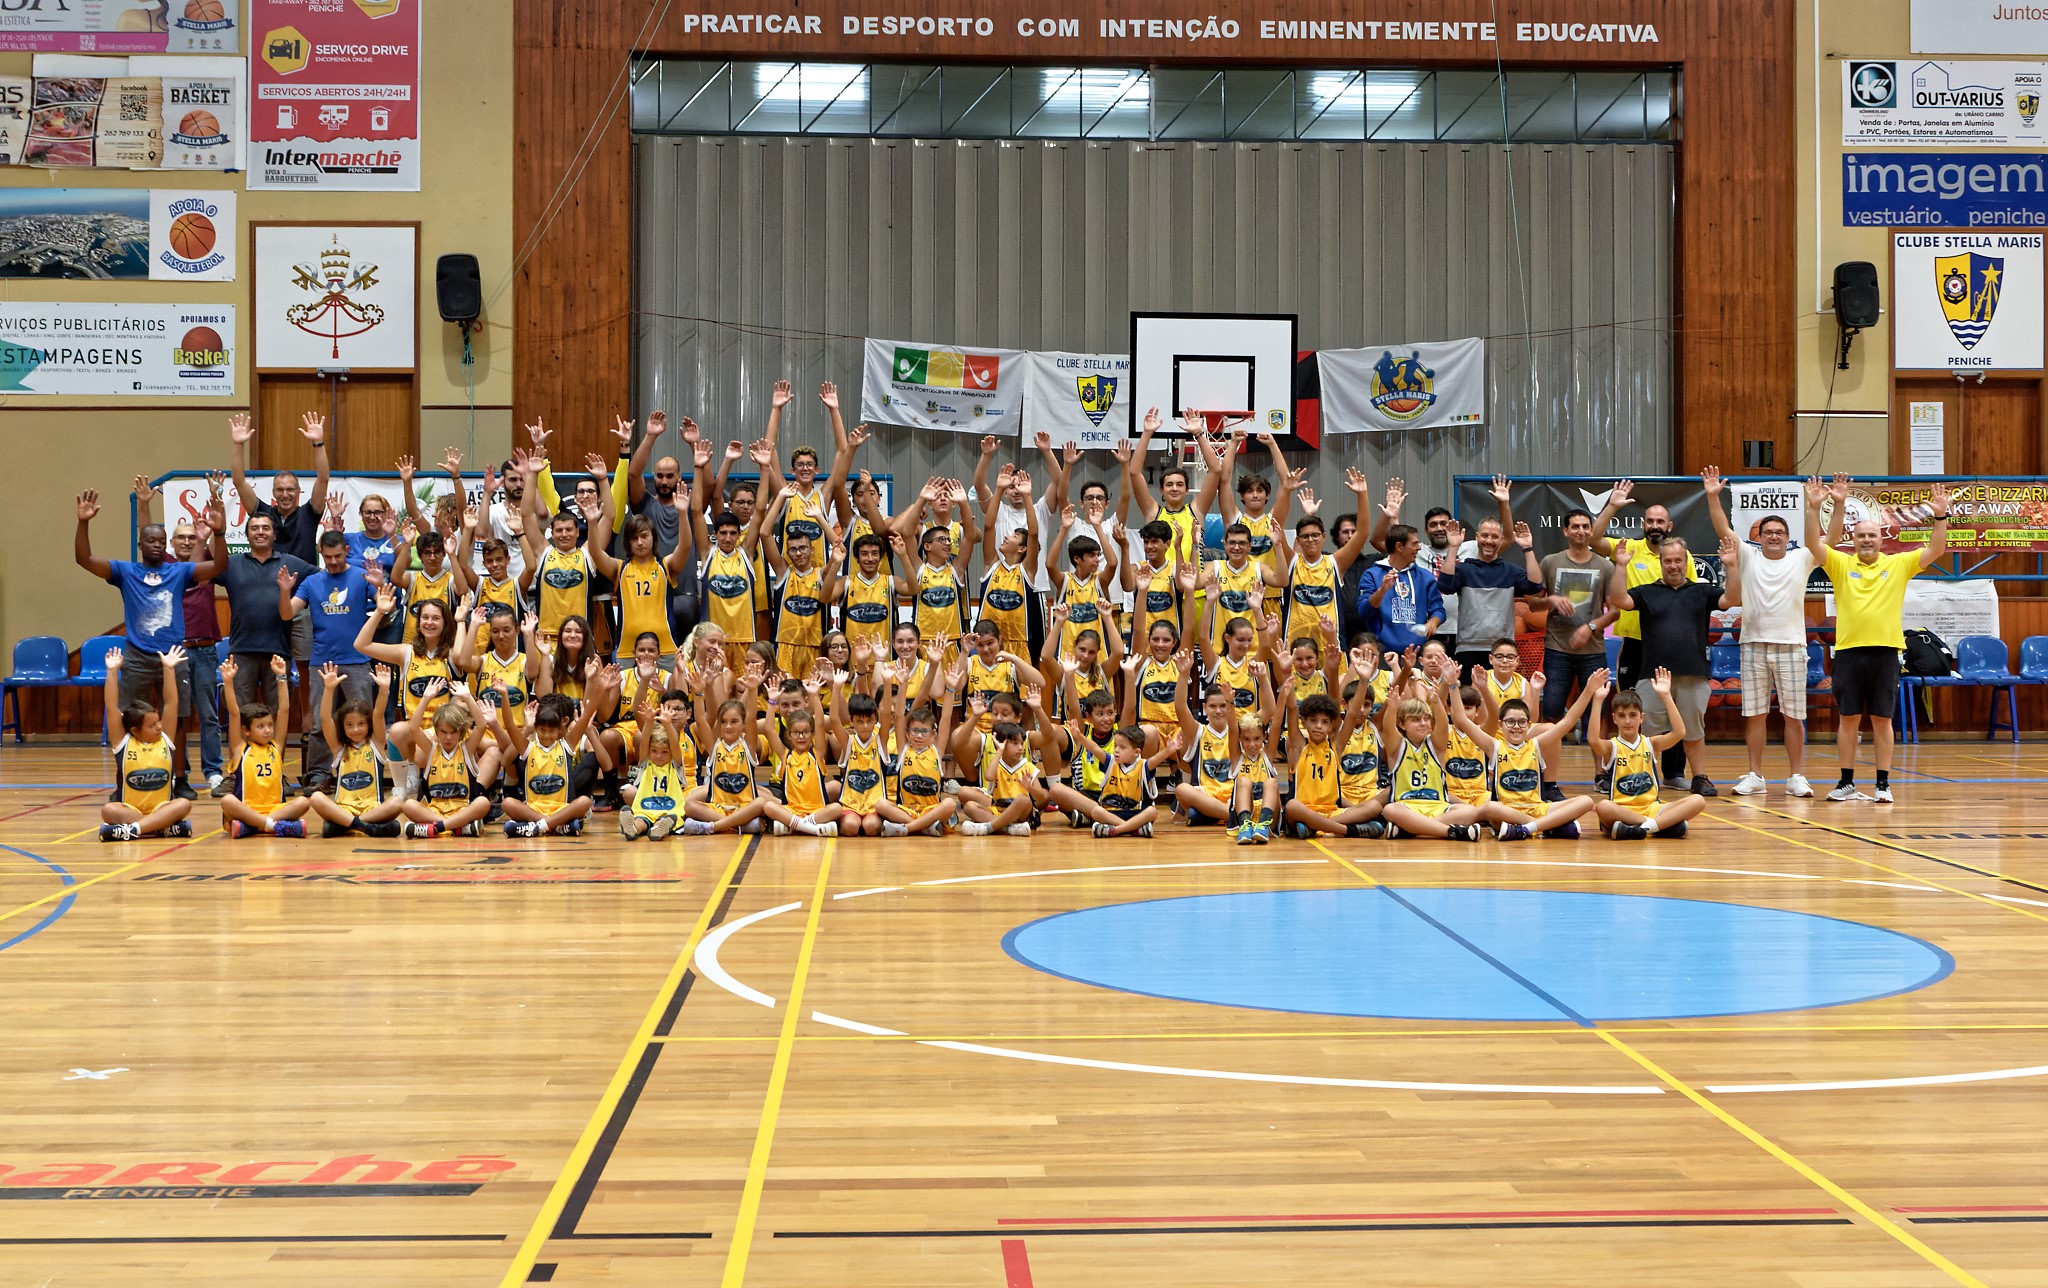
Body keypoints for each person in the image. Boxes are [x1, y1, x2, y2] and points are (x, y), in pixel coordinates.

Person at [73, 485, 228, 802]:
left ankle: (177, 778)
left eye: (160, 540)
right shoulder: (125, 571)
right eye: (151, 540)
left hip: (173, 655)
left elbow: (218, 567)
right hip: (137, 656)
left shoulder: (180, 571)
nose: (156, 545)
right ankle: (125, 778)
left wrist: (220, 534)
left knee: (180, 717)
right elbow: (84, 559)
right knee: (130, 718)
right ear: (141, 544)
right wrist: (84, 522)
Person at [1809, 474, 1950, 805]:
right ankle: (1846, 782)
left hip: (1886, 653)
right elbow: (1815, 545)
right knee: (1848, 720)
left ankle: (1883, 784)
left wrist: (1940, 516)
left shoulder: (1899, 564)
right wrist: (1817, 508)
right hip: (1847, 653)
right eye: (1861, 536)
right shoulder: (1841, 564)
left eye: (1872, 535)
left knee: (1883, 720)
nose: (1867, 540)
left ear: (1881, 539)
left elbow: (1937, 548)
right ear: (1853, 539)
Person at [1702, 467, 1817, 798]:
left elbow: (1830, 539)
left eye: (1780, 531)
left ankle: (1796, 776)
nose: (1774, 535)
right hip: (1752, 645)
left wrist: (1818, 506)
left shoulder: (1803, 558)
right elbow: (1722, 527)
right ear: (1759, 536)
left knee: (1794, 716)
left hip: (1792, 647)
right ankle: (1756, 774)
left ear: (1787, 535)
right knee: (1754, 714)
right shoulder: (1748, 555)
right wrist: (1712, 495)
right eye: (1768, 531)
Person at [1606, 533, 1742, 797]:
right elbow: (1619, 600)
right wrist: (1621, 566)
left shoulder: (1702, 591)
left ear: (1685, 560)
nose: (1673, 565)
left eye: (1678, 560)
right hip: (1653, 676)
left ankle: (1700, 778)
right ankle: (1648, 777)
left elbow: (1731, 599)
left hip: (1692, 674)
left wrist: (1732, 565)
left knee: (1694, 731)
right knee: (1651, 733)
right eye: (1668, 561)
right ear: (1661, 563)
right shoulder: (1647, 593)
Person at [1591, 478, 1700, 784]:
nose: (1654, 525)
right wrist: (1612, 506)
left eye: (1660, 521)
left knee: (1672, 706)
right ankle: (1632, 769)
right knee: (1630, 706)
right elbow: (1594, 540)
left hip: (1669, 647)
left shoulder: (1681, 556)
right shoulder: (1628, 548)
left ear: (1670, 525)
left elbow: (1690, 596)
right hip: (1637, 645)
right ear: (1643, 524)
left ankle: (1674, 773)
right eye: (1650, 520)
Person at [133, 475, 227, 795]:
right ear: (171, 544)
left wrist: (214, 500)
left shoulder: (206, 563)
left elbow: (216, 536)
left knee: (208, 715)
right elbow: (145, 536)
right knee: (176, 715)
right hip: (173, 652)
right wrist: (144, 506)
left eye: (191, 537)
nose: (187, 541)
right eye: (181, 538)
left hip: (203, 649)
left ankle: (214, 772)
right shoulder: (164, 566)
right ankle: (178, 772)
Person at [278, 530, 377, 793]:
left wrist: (379, 586)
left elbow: (384, 606)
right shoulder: (311, 583)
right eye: (328, 556)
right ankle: (320, 774)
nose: (333, 561)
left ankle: (366, 770)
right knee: (321, 722)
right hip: (322, 662)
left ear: (346, 550)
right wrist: (284, 592)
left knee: (363, 719)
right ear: (320, 552)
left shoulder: (361, 575)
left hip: (357, 660)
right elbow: (287, 614)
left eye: (337, 555)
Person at [1589, 668, 1709, 840]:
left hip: (1653, 808)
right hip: (1622, 810)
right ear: (1614, 719)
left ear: (1642, 717)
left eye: (1633, 715)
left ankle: (1642, 828)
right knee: (1603, 807)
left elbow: (1679, 732)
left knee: (1698, 801)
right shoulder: (1612, 747)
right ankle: (1659, 826)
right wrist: (1597, 700)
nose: (1628, 721)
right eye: (1622, 716)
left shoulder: (1651, 743)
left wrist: (1666, 696)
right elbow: (1593, 739)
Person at [1436, 491, 1544, 677]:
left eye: (1495, 537)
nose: (1489, 541)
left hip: (1501, 650)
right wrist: (1453, 547)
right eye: (1485, 535)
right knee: (1470, 701)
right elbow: (1444, 585)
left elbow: (1535, 586)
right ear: (1477, 537)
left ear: (1501, 540)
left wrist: (1527, 548)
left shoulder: (1510, 571)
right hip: (1467, 648)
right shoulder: (1464, 570)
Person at [98, 645, 195, 841]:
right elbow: (111, 705)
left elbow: (170, 703)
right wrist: (112, 671)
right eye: (152, 725)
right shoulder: (123, 743)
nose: (159, 727)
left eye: (158, 721)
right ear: (135, 730)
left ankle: (134, 830)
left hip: (162, 807)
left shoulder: (165, 739)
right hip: (130, 809)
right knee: (109, 810)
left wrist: (168, 669)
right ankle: (161, 827)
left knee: (184, 804)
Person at [1537, 507, 1617, 739]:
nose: (1581, 531)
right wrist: (1551, 599)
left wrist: (1590, 627)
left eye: (1585, 526)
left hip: (1593, 650)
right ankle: (1547, 771)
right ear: (1565, 531)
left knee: (1597, 710)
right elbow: (1533, 603)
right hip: (1556, 648)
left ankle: (1601, 772)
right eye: (1575, 526)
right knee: (1551, 708)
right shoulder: (1550, 562)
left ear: (1591, 531)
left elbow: (1614, 612)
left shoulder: (1605, 566)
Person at [305, 662, 405, 838]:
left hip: (373, 809)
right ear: (342, 727)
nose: (356, 729)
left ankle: (347, 826)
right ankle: (366, 827)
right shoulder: (339, 749)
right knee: (316, 798)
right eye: (349, 725)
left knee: (397, 802)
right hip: (343, 809)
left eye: (361, 724)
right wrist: (328, 689)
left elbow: (379, 713)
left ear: (369, 725)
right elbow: (325, 719)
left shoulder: (376, 744)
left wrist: (383, 690)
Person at [217, 655, 311, 838]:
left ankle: (253, 827)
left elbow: (284, 710)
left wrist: (281, 677)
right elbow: (234, 713)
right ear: (246, 731)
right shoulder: (240, 749)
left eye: (269, 725)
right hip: (246, 808)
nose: (267, 730)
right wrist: (228, 682)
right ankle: (276, 827)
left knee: (303, 802)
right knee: (227, 801)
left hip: (276, 809)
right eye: (260, 727)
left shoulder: (276, 746)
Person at [1357, 523, 1444, 657]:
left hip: (1416, 654)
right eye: (1414, 544)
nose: (1419, 548)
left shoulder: (1425, 577)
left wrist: (1433, 622)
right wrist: (1382, 590)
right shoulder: (1372, 575)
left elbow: (1438, 609)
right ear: (1399, 546)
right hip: (1383, 654)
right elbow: (1363, 611)